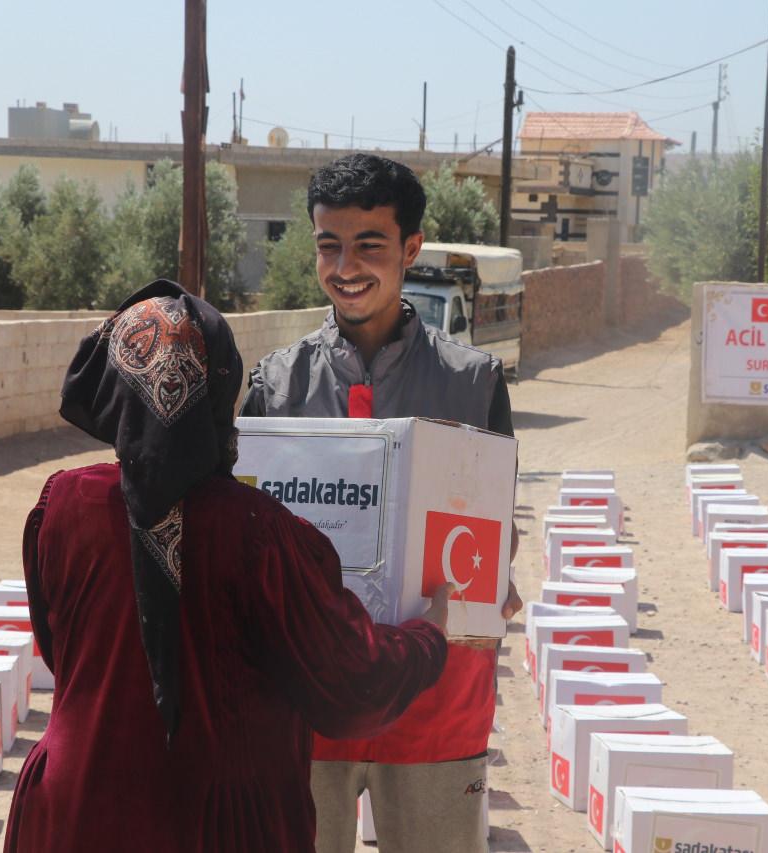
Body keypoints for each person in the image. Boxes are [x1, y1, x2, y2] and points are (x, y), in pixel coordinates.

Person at [3, 280, 452, 853]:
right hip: (219, 823)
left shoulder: (64, 505)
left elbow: (60, 651)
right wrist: (428, 637)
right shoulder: (262, 534)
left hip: (73, 811)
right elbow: (351, 686)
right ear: (219, 392)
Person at [241, 153, 522, 853]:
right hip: (306, 702)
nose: (346, 266)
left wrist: (498, 577)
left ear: (411, 248)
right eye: (328, 245)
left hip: (436, 701)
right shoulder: (274, 387)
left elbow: (494, 531)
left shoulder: (474, 382)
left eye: (369, 244)